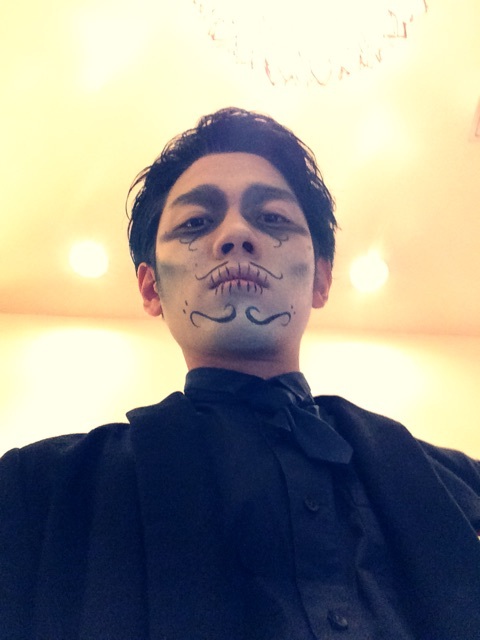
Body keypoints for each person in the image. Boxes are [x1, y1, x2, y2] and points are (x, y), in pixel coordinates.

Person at [1, 107, 479, 640]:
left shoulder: (459, 487)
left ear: (321, 280)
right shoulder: (34, 494)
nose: (235, 234)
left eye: (272, 218)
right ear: (151, 288)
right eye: (195, 223)